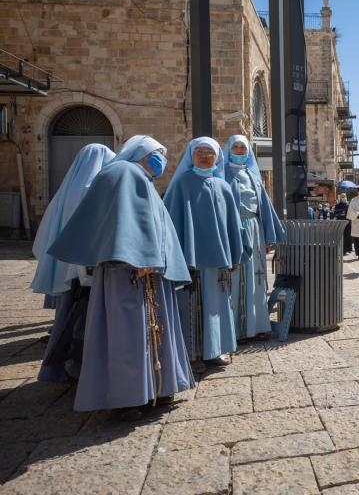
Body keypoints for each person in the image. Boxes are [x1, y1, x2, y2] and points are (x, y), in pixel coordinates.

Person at [47, 135, 194, 419]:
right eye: (158, 152)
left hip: (146, 270)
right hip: (129, 271)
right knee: (128, 335)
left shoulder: (134, 176)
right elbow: (123, 224)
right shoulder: (124, 173)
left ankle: (156, 388)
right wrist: (138, 257)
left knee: (152, 331)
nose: (162, 158)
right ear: (141, 152)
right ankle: (127, 397)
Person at [33, 143, 115, 382]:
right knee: (81, 313)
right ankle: (77, 362)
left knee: (67, 309)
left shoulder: (69, 188)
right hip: (84, 263)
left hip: (66, 260)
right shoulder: (92, 189)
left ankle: (62, 354)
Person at [164, 137, 244, 373]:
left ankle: (215, 350)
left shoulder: (223, 186)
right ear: (191, 155)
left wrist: (234, 255)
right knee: (193, 306)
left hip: (219, 261)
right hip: (193, 261)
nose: (205, 156)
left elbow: (233, 224)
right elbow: (172, 222)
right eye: (200, 151)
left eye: (210, 152)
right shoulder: (182, 184)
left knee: (216, 306)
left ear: (217, 157)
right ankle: (193, 353)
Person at [222, 134, 285, 342]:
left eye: (243, 148)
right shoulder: (221, 173)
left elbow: (264, 207)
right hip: (234, 228)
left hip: (255, 228)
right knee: (235, 277)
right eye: (236, 147)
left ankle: (258, 326)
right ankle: (236, 330)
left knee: (258, 279)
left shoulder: (253, 175)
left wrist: (268, 236)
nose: (240, 151)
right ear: (229, 149)